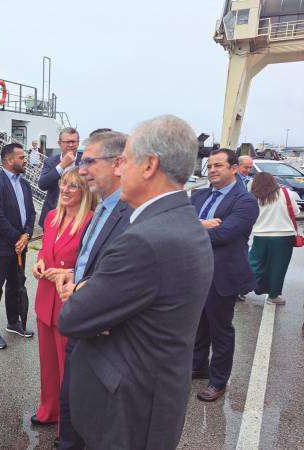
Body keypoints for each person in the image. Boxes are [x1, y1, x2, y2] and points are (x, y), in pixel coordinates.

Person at [57, 115, 214, 449]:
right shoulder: (184, 221)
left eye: (124, 161)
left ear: (149, 166)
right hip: (155, 399)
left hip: (127, 410)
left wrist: (86, 294)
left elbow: (73, 318)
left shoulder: (143, 240)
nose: (118, 169)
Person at [54, 130, 132, 450]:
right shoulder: (102, 207)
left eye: (89, 161)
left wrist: (86, 288)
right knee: (71, 403)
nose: (81, 169)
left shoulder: (130, 215)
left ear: (117, 164)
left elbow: (124, 277)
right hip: (81, 322)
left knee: (90, 413)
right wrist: (73, 273)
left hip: (101, 332)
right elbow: (97, 261)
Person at [191, 148, 259, 402]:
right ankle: (198, 366)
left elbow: (223, 234)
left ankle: (218, 381)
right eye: (209, 166)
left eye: (218, 165)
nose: (212, 170)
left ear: (233, 168)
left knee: (221, 330)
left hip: (222, 276)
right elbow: (176, 221)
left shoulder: (245, 201)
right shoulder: (199, 196)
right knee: (198, 324)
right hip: (196, 273)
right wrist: (200, 225)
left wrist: (191, 227)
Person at [31, 168, 95, 427]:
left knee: (69, 368)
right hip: (45, 298)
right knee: (48, 364)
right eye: (63, 184)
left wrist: (69, 272)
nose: (65, 190)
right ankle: (49, 409)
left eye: (73, 186)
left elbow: (91, 263)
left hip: (69, 300)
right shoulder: (50, 217)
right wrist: (39, 261)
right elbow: (46, 251)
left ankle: (69, 424)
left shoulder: (90, 220)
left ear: (85, 192)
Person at [0, 142, 36, 349]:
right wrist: (18, 238)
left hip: (19, 245)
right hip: (1, 247)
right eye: (21, 157)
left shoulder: (24, 184)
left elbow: (31, 213)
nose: (26, 161)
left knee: (16, 284)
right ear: (8, 160)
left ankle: (14, 322)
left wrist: (26, 235)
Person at [248, 172, 300, 305]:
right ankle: (273, 296)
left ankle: (240, 288)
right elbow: (295, 212)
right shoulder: (286, 193)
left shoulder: (253, 196)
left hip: (261, 235)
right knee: (278, 267)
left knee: (254, 263)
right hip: (284, 236)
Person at [38, 127, 82, 227]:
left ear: (78, 143)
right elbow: (43, 184)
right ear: (60, 143)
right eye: (68, 142)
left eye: (74, 142)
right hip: (53, 215)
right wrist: (62, 165)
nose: (71, 145)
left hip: (78, 216)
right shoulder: (50, 161)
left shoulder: (85, 161)